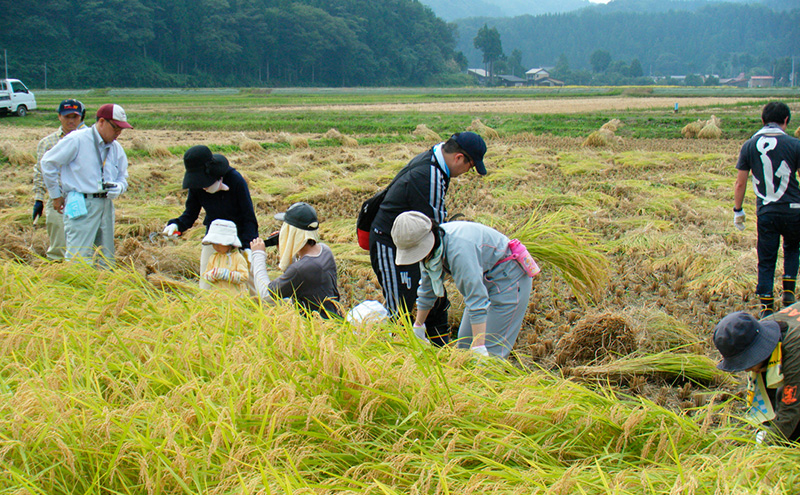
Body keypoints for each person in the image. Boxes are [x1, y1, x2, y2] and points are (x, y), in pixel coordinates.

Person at [369, 131, 487, 346]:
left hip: (415, 238)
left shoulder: (435, 160)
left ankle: (437, 345)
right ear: (459, 158)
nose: (465, 172)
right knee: (401, 304)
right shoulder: (430, 175)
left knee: (433, 291)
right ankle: (395, 355)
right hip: (388, 240)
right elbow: (436, 230)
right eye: (469, 167)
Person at [391, 211, 534, 359]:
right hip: (485, 279)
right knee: (464, 346)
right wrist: (418, 326)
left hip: (508, 280)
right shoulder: (432, 253)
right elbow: (427, 290)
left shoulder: (458, 251)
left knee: (490, 355)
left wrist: (479, 347)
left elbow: (476, 300)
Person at [40, 103, 131, 267]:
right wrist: (56, 196)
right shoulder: (77, 140)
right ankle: (75, 288)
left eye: (121, 129)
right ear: (102, 122)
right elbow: (48, 163)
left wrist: (119, 187)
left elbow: (123, 176)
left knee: (105, 256)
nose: (118, 132)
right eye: (116, 127)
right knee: (79, 256)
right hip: (81, 203)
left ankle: (102, 288)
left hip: (105, 204)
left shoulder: (116, 148)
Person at [733, 101, 800, 318]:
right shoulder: (795, 145)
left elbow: (740, 183)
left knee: (767, 256)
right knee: (792, 247)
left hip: (767, 211)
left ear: (762, 120)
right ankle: (789, 291)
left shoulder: (749, 145)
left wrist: (738, 210)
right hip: (793, 208)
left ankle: (766, 304)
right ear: (786, 121)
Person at [163, 145, 258, 289]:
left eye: (204, 182)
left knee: (248, 283)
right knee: (207, 281)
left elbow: (248, 217)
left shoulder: (235, 180)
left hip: (238, 237)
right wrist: (177, 225)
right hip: (213, 237)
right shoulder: (196, 186)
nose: (202, 187)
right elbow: (190, 213)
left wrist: (248, 245)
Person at [713, 308, 800, 444]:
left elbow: (791, 408)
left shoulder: (795, 349)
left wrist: (768, 445)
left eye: (747, 362)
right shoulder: (758, 330)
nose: (747, 369)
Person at [250, 202, 341, 318]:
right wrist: (286, 246)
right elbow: (297, 282)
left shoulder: (300, 269)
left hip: (316, 330)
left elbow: (265, 296)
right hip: (335, 323)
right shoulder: (325, 251)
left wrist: (258, 254)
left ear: (292, 232)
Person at [33, 99, 87, 260]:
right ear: (59, 117)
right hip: (58, 199)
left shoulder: (88, 140)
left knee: (84, 243)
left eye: (75, 117)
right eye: (66, 116)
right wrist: (38, 199)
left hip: (83, 197)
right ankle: (56, 274)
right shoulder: (48, 143)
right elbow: (40, 171)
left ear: (81, 118)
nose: (71, 121)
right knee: (58, 243)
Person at [200, 219, 249, 294]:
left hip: (234, 297)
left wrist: (227, 275)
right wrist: (213, 274)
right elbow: (205, 275)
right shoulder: (213, 257)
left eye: (220, 244)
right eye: (214, 243)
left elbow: (244, 277)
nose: (216, 247)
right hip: (217, 296)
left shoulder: (237, 257)